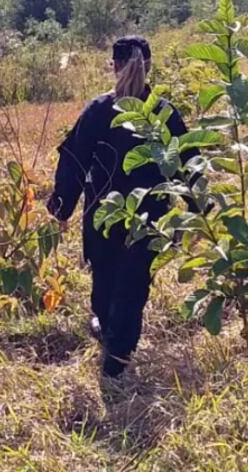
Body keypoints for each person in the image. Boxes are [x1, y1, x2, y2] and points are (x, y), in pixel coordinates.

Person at [46, 36, 193, 378]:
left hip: (103, 212)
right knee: (133, 283)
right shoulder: (165, 112)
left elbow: (73, 161)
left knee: (106, 275)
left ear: (112, 66)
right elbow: (188, 162)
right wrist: (199, 208)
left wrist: (61, 207)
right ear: (150, 66)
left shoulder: (99, 110)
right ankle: (117, 347)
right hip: (151, 216)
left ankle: (114, 355)